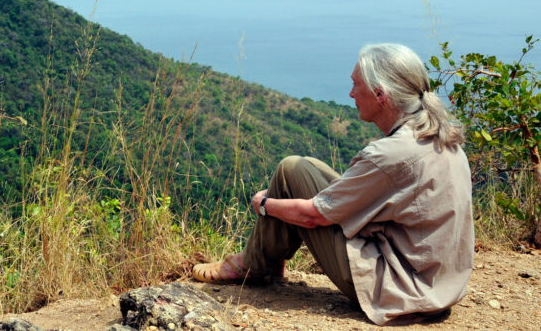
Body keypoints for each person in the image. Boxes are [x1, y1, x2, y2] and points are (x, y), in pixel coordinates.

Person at [192, 43, 474, 326]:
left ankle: (252, 265)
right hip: (439, 288)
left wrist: (264, 205)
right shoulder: (440, 136)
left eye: (355, 85)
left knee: (290, 171)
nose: (351, 94)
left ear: (380, 94)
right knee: (301, 169)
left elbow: (311, 216)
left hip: (399, 292)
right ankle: (262, 262)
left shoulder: (390, 155)